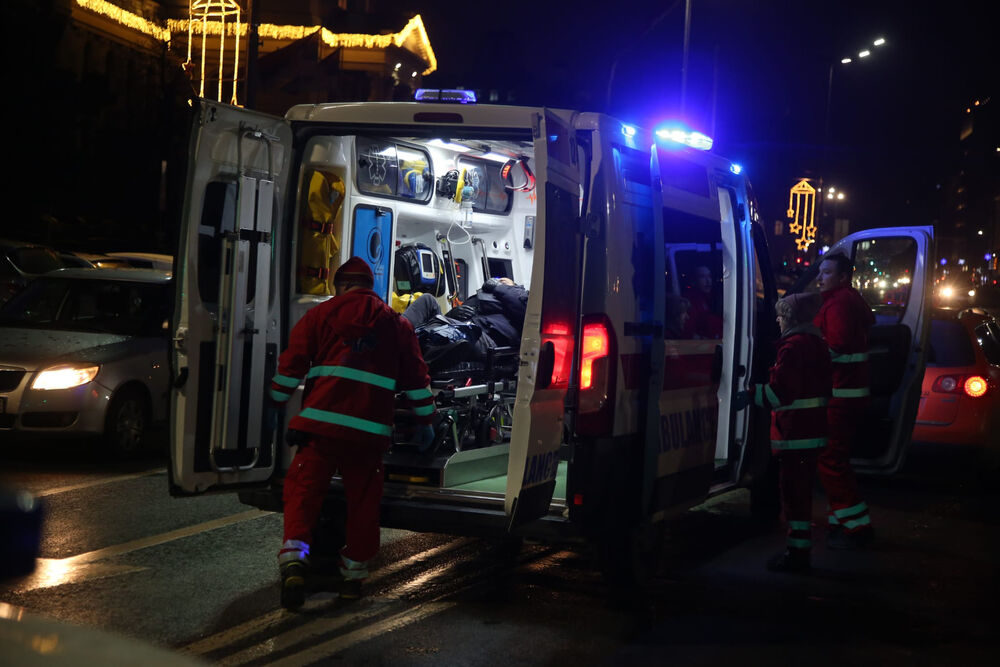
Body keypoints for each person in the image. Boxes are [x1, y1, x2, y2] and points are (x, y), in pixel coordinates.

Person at [269, 257, 435, 609]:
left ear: (341, 286)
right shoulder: (397, 324)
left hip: (321, 428)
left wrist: (275, 399)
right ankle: (352, 581)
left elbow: (292, 365)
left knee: (303, 494)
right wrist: (427, 420)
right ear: (369, 287)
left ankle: (295, 562)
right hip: (368, 435)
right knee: (362, 504)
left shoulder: (319, 315)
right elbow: (416, 378)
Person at [744, 292, 831, 572]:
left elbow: (780, 392)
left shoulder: (792, 348)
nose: (778, 321)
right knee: (801, 494)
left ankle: (797, 555)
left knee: (794, 498)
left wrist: (751, 393)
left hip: (795, 433)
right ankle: (798, 552)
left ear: (791, 318)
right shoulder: (817, 343)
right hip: (812, 432)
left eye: (781, 316)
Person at [814, 252, 876, 549]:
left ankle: (857, 528)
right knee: (837, 460)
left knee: (831, 460)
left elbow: (834, 348)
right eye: (820, 272)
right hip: (849, 395)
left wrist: (803, 355)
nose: (819, 278)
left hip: (839, 395)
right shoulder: (849, 300)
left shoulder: (838, 304)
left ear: (842, 277)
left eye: (826, 273)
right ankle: (842, 521)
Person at [683, 265, 723, 339]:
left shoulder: (715, 298)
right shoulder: (688, 301)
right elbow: (688, 332)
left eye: (709, 276)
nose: (708, 281)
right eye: (702, 277)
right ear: (693, 281)